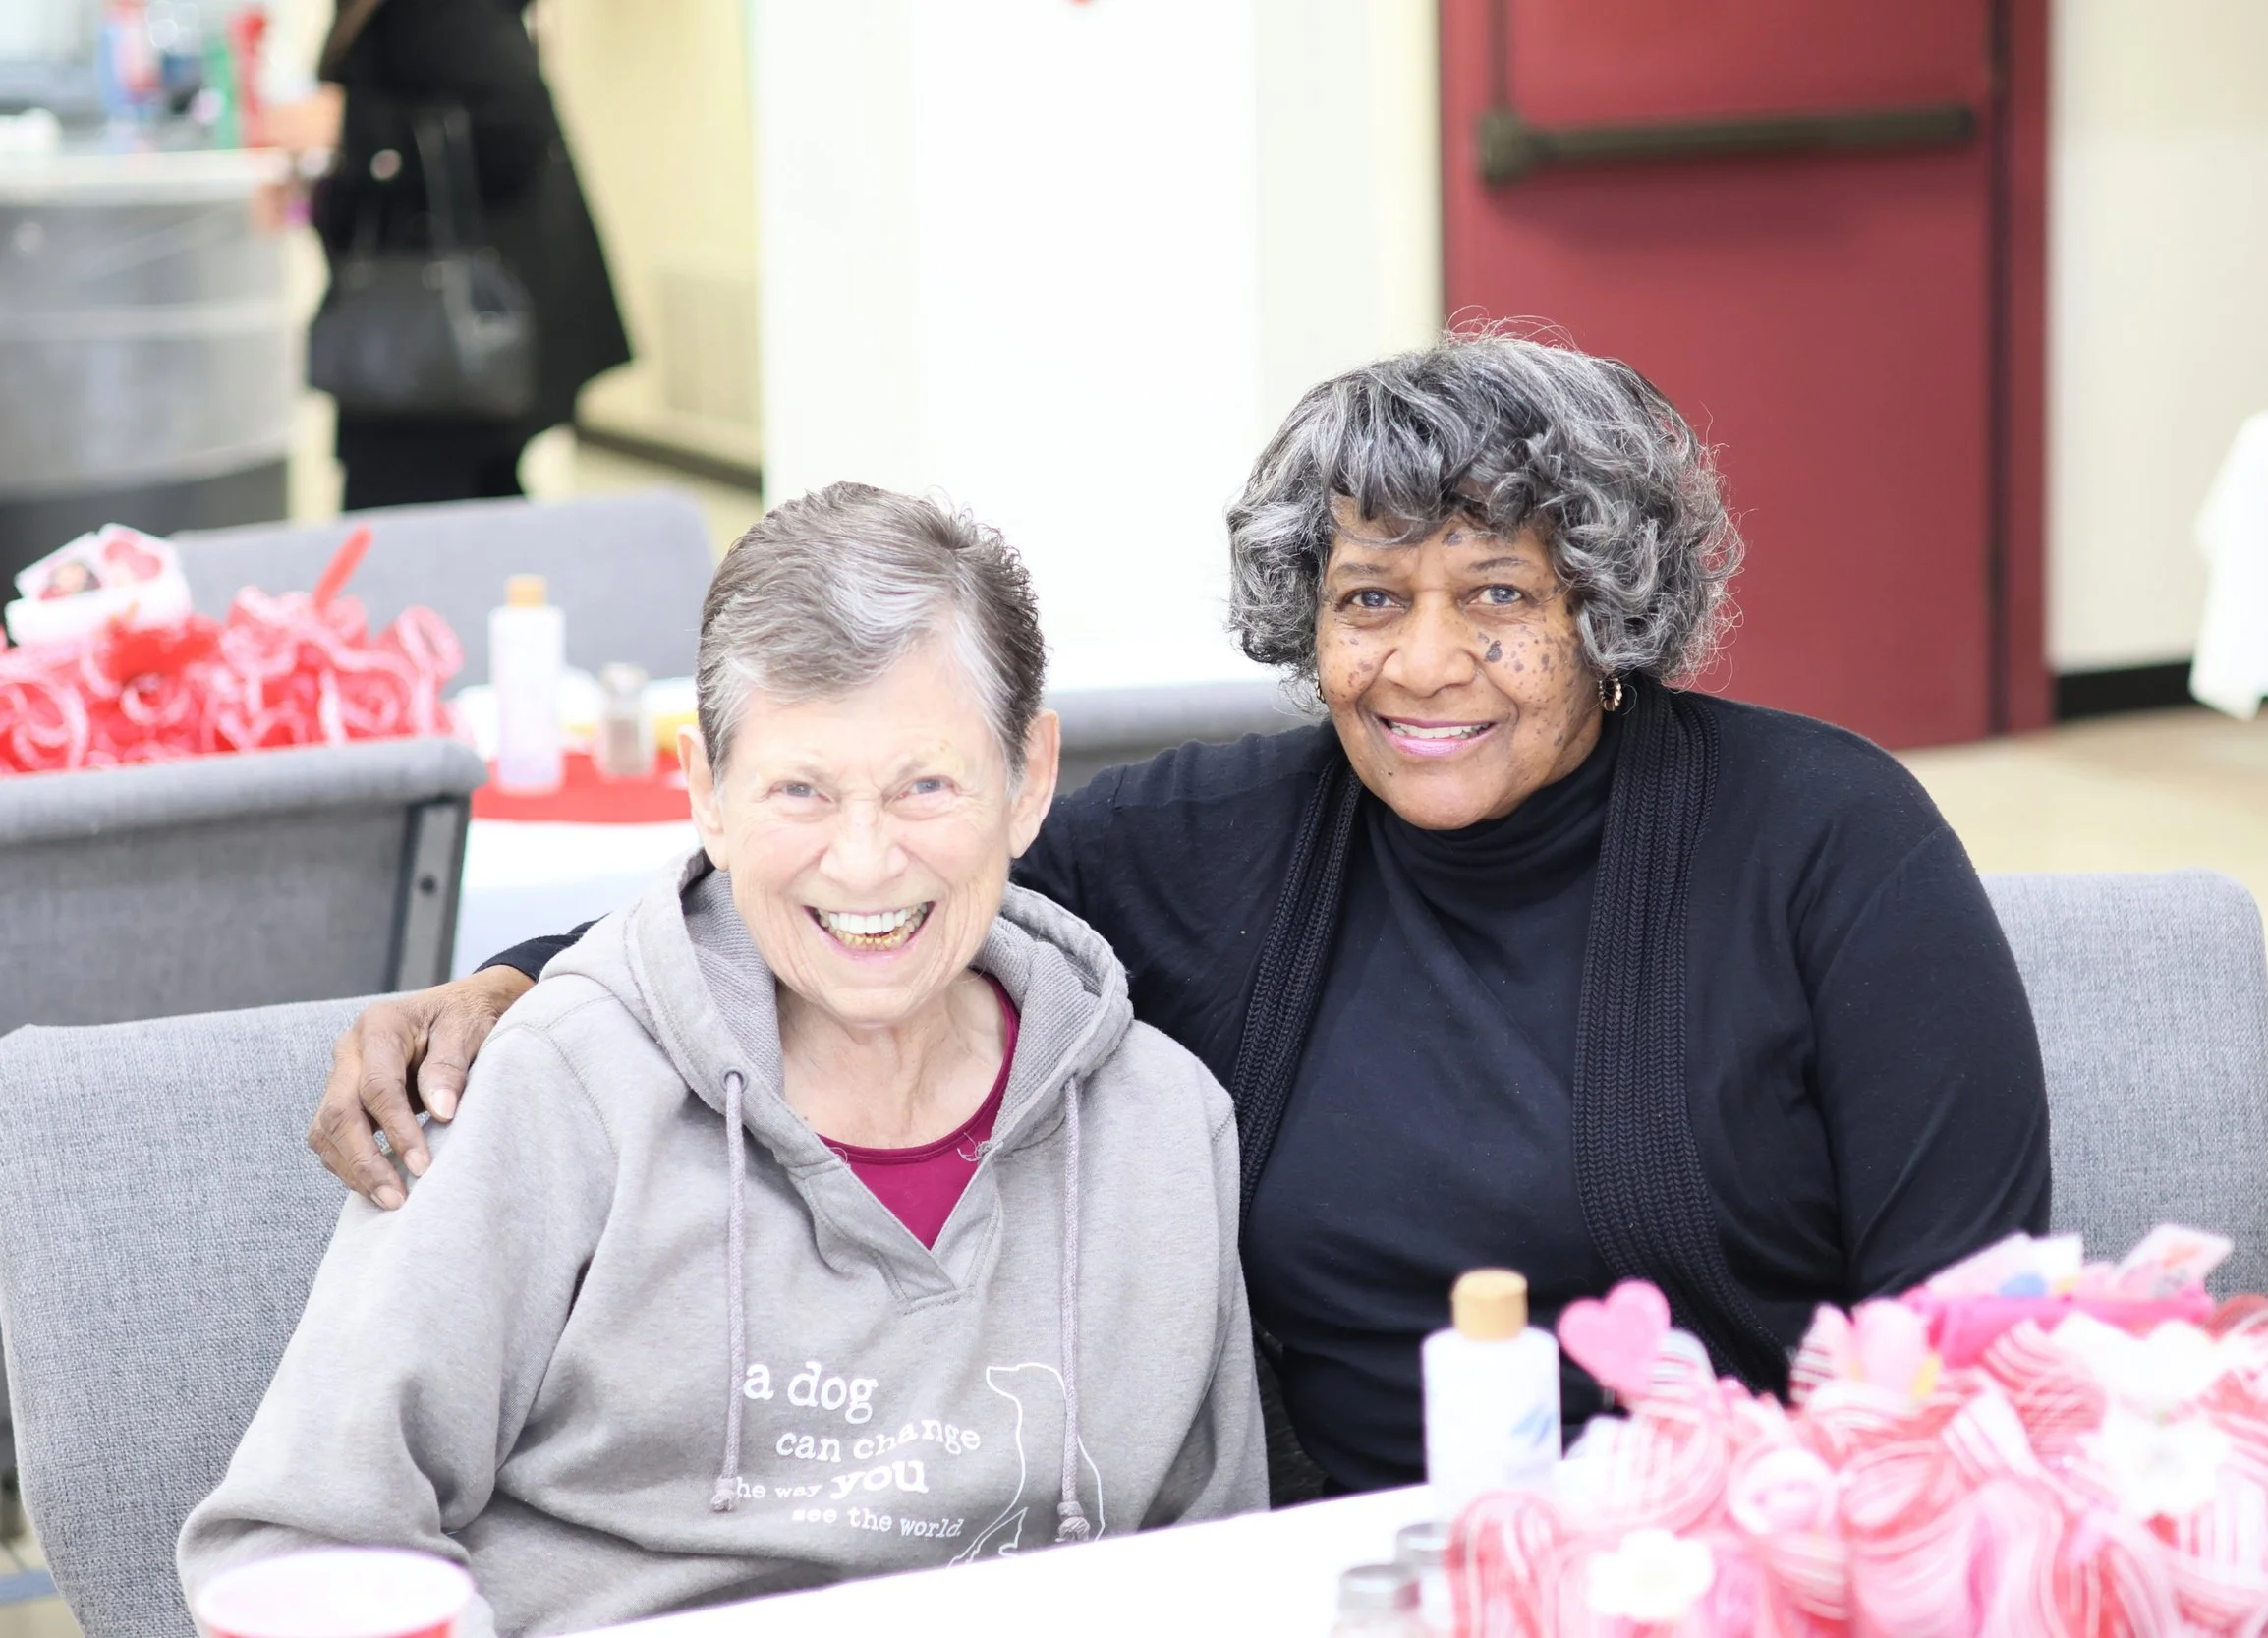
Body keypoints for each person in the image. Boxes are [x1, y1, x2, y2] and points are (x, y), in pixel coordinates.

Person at [313, 334, 2052, 1501]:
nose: (1425, 664)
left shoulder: (1828, 843)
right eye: (1371, 598)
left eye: (1500, 601)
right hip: (1329, 1579)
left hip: (1761, 1571)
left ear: (1610, 611)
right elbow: (870, 890)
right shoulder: (1236, 842)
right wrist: (509, 981)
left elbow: (1972, 1341)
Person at [186, 486, 1265, 1634]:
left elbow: (1230, 1578)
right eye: (799, 788)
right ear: (704, 793)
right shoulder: (558, 1088)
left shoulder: (1162, 1125)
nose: (863, 862)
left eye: (925, 785)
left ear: (1029, 778)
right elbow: (297, 1545)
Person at [295, 0, 629, 509]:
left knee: (412, 519)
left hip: (445, 327)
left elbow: (514, 131)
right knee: (466, 511)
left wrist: (354, 127)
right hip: (428, 326)